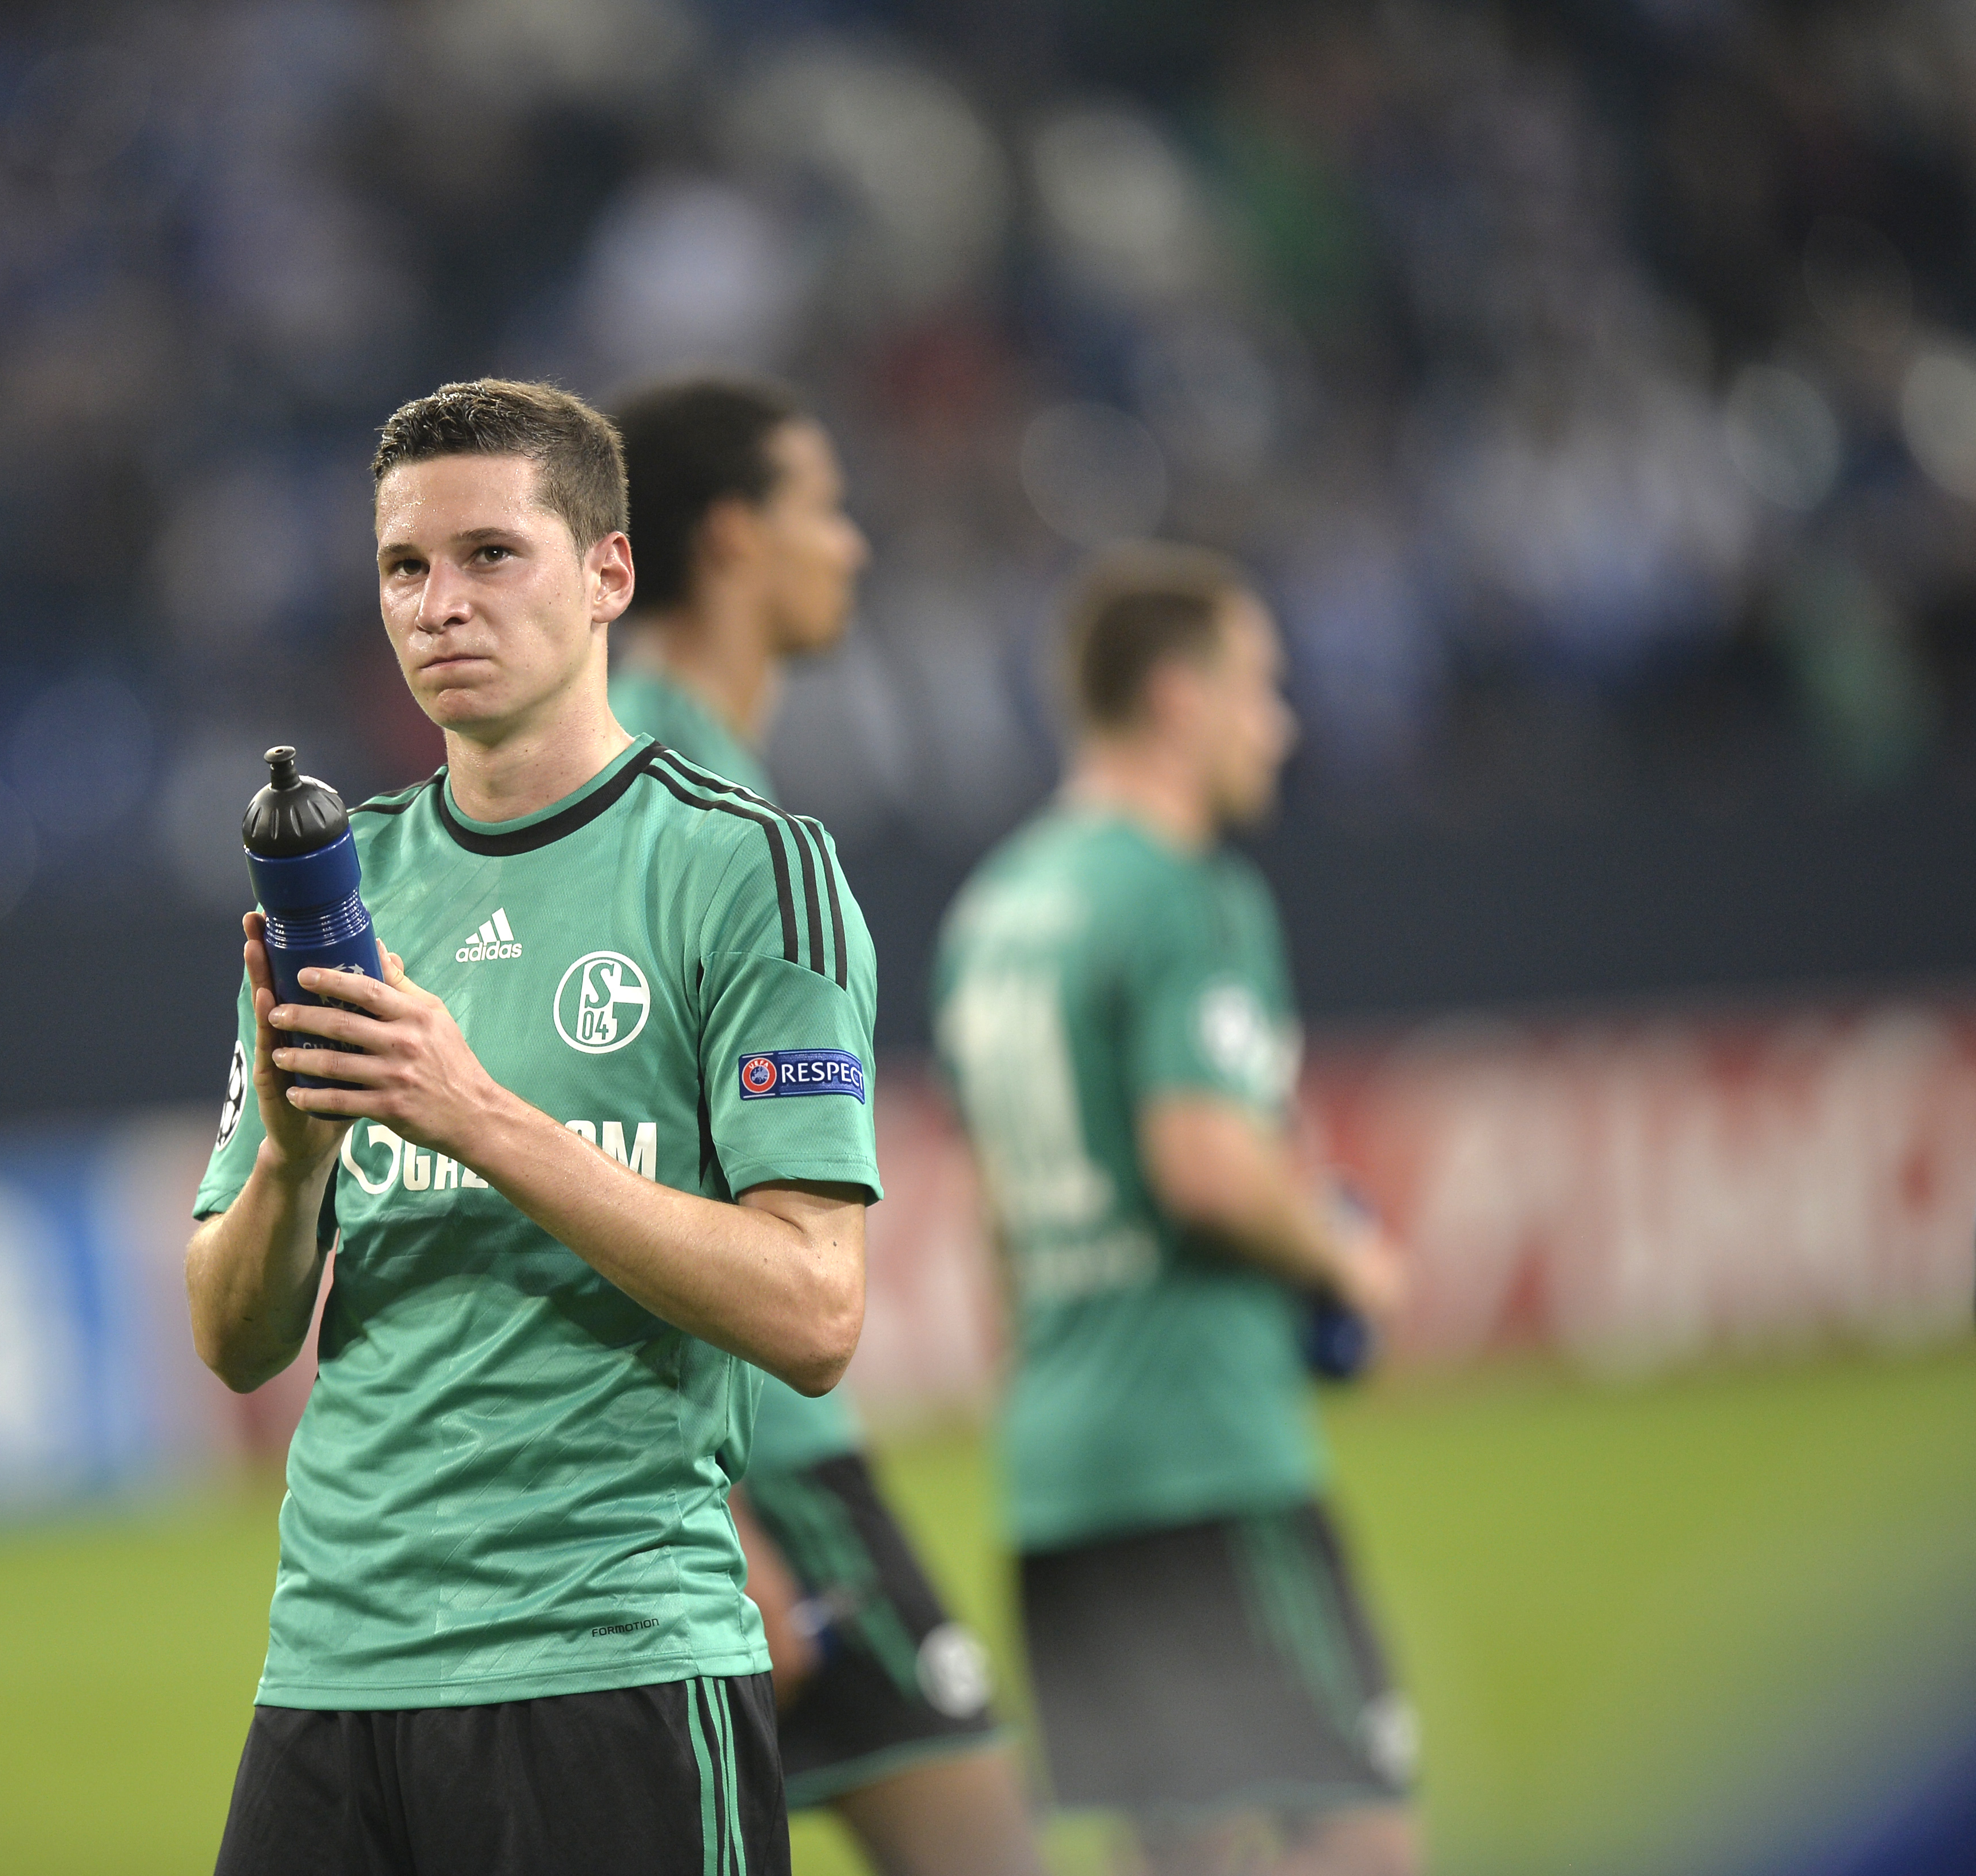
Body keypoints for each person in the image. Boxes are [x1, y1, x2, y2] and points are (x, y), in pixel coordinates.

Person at [188, 378, 882, 1876]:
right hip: (332, 1677)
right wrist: (297, 1170)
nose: (440, 604)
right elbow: (234, 1339)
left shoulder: (741, 869)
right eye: (404, 568)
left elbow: (816, 1309)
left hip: (609, 1672)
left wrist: (479, 1117)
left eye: (492, 555)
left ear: (608, 575)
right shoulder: (341, 888)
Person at [933, 543, 1419, 1876]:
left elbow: (996, 1223)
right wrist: (1346, 1255)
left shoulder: (999, 909)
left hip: (1063, 1473)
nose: (1284, 720)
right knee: (1357, 1830)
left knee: (1185, 1852)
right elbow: (1203, 1159)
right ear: (1175, 696)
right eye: (1259, 684)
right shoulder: (1180, 889)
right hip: (1205, 1452)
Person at [610, 376, 1041, 1876]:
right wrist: (710, 1513)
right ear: (733, 541)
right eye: (824, 510)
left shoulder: (657, 764)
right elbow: (582, 1140)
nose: (849, 547)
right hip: (750, 1464)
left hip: (715, 1462)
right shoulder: (668, 795)